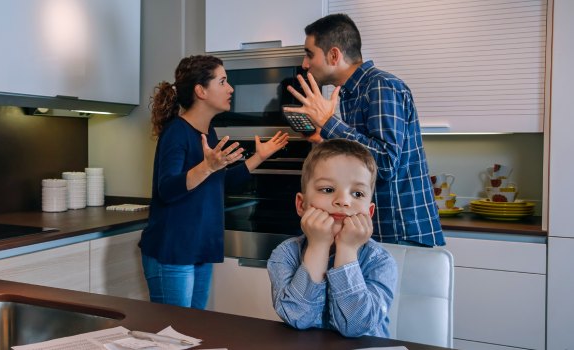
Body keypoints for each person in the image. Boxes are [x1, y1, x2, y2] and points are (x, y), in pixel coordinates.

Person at [138, 55, 289, 309]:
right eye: (222, 82)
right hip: (173, 252)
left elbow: (219, 183)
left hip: (199, 249)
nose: (230, 89)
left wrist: (258, 158)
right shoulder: (177, 132)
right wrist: (207, 166)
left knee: (193, 334)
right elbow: (167, 189)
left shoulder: (209, 133)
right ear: (201, 91)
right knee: (171, 338)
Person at [284, 13, 444, 246]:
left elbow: (386, 162)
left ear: (334, 54)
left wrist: (330, 123)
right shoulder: (351, 93)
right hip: (379, 229)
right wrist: (324, 138)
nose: (305, 64)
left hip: (401, 231)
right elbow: (363, 159)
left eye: (309, 54)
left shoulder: (381, 86)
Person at [267, 138, 397, 337]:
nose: (343, 201)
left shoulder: (380, 260)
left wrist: (347, 250)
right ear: (301, 205)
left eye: (357, 193)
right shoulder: (285, 254)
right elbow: (297, 317)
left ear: (369, 212)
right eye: (327, 190)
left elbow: (357, 326)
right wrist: (318, 246)